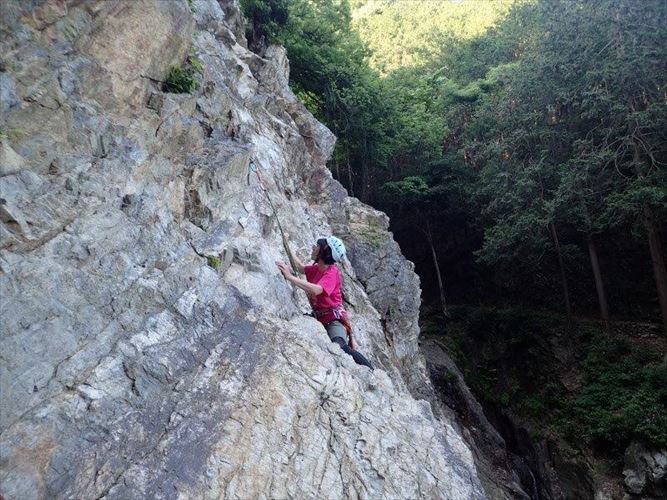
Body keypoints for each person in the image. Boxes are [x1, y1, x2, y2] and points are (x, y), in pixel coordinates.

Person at [275, 237, 374, 370]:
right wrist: (286, 244)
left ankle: (371, 371)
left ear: (324, 251)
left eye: (317, 246)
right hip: (321, 317)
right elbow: (300, 267)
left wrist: (289, 277)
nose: (313, 247)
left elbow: (317, 290)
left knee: (339, 346)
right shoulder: (318, 269)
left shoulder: (331, 272)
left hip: (333, 320)